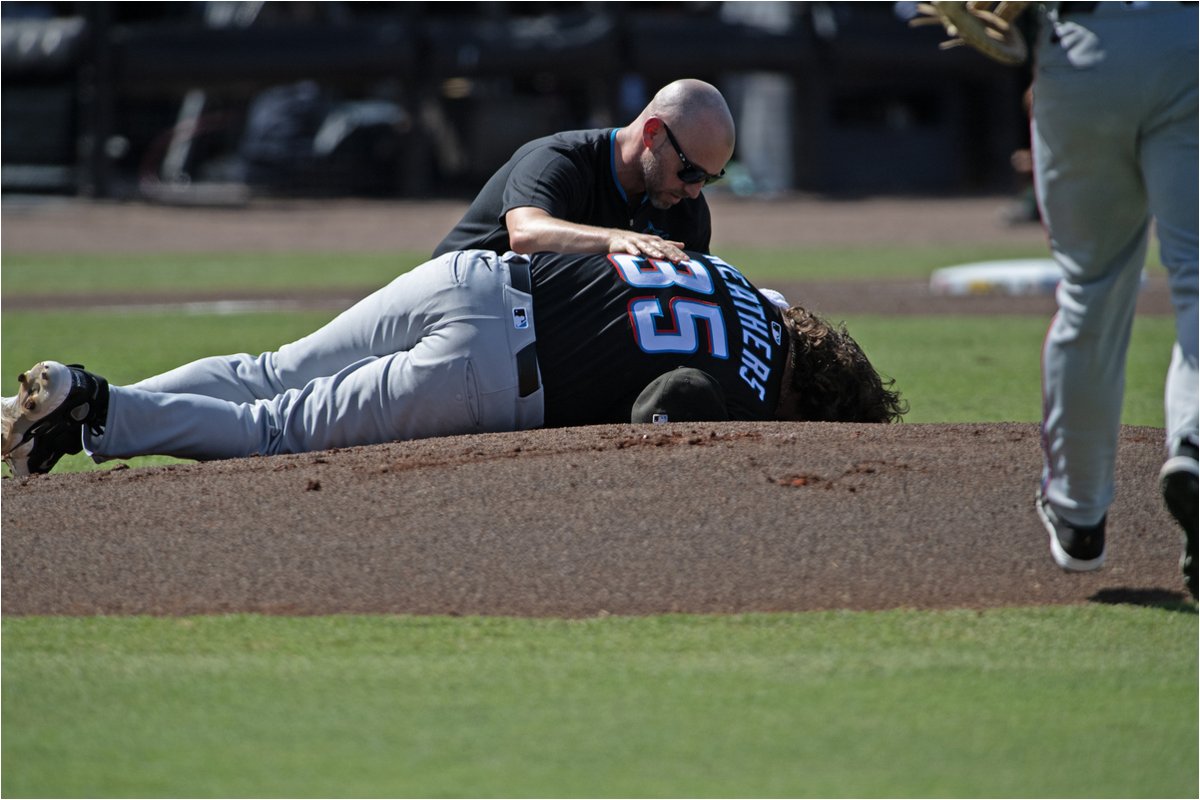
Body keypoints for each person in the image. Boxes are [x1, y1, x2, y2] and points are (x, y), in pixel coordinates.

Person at [1, 249, 905, 476]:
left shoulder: (744, 284)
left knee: (268, 370)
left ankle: (61, 409)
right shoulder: (757, 390)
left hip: (474, 277)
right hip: (493, 369)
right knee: (275, 431)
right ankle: (95, 408)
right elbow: (666, 404)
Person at [1030, 2, 1198, 597]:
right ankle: (1195, 440)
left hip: (1085, 42)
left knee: (1091, 287)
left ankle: (1077, 512)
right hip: (1189, 38)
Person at [433, 79, 735, 265]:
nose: (695, 190)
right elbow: (526, 234)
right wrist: (615, 239)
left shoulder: (686, 208)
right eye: (690, 171)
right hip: (452, 298)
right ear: (652, 133)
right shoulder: (559, 159)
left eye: (709, 178)